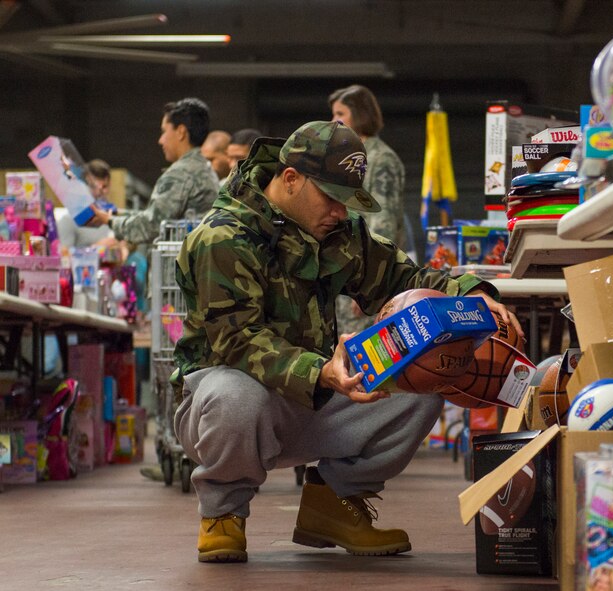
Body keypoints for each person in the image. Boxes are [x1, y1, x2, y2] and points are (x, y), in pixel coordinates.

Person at [172, 120, 522, 563]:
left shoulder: (341, 234)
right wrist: (320, 371)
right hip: (221, 403)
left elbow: (404, 278)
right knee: (237, 396)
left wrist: (471, 292)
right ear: (291, 178)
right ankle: (222, 513)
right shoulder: (222, 238)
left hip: (314, 392)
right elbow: (237, 343)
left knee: (420, 388)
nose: (340, 211)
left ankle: (332, 505)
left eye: (347, 200)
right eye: (331, 197)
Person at [328, 84, 412, 334]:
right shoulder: (353, 156)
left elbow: (383, 222)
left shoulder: (380, 159)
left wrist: (369, 283)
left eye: (340, 114)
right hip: (346, 270)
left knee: (365, 354)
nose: (334, 121)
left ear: (360, 115)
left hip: (365, 276)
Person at [88, 97, 219, 244]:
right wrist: (117, 214)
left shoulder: (181, 173)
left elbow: (152, 226)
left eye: (164, 132)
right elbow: (160, 216)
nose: (160, 140)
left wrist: (109, 221)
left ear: (181, 132)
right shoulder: (204, 168)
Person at [56, 158, 114, 249]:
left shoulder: (112, 215)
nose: (99, 192)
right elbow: (64, 258)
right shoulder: (68, 220)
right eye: (93, 186)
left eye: (104, 187)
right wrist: (96, 248)